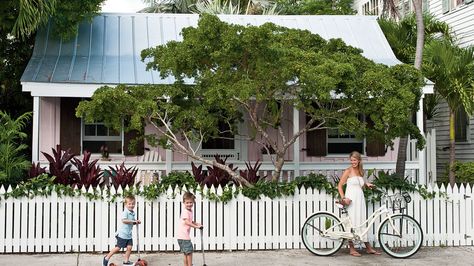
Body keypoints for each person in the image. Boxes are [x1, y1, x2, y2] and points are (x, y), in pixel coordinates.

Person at [337, 151, 381, 257]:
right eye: (351, 160)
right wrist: (344, 198)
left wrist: (366, 184)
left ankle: (368, 248)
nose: (353, 162)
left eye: (355, 160)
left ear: (359, 160)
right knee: (351, 223)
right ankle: (352, 249)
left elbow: (359, 183)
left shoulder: (361, 171)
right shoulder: (348, 171)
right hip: (351, 200)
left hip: (360, 200)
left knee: (361, 222)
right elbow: (339, 186)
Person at [103, 195, 141, 266]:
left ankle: (126, 261)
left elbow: (132, 221)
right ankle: (106, 258)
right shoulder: (125, 212)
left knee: (129, 247)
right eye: (129, 204)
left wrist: (136, 221)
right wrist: (133, 221)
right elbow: (124, 221)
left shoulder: (132, 212)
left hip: (128, 234)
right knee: (118, 248)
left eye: (133, 204)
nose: (131, 205)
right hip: (122, 234)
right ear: (126, 204)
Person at [177, 191, 202, 266]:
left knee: (186, 253)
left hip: (181, 236)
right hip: (184, 237)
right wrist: (196, 227)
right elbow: (187, 222)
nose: (189, 204)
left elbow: (190, 220)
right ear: (183, 203)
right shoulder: (185, 212)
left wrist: (196, 223)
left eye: (191, 202)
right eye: (187, 203)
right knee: (189, 252)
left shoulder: (190, 211)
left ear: (193, 202)